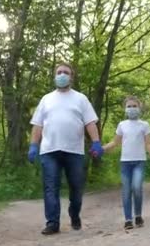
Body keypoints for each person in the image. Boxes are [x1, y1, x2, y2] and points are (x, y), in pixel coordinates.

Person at [28, 62, 104, 235]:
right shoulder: (46, 99)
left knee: (76, 187)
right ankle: (52, 223)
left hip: (74, 151)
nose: (62, 75)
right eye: (59, 72)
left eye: (66, 72)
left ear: (71, 77)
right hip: (49, 150)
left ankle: (74, 214)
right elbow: (37, 125)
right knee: (50, 187)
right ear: (55, 76)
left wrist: (96, 142)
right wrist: (33, 145)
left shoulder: (80, 98)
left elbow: (90, 122)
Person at [103, 96, 150, 230]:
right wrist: (103, 148)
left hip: (139, 162)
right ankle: (128, 219)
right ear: (125, 109)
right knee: (126, 191)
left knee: (136, 188)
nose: (131, 109)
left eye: (134, 106)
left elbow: (149, 142)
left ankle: (138, 215)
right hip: (125, 163)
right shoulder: (122, 125)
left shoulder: (144, 125)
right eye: (129, 106)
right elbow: (115, 142)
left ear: (139, 108)